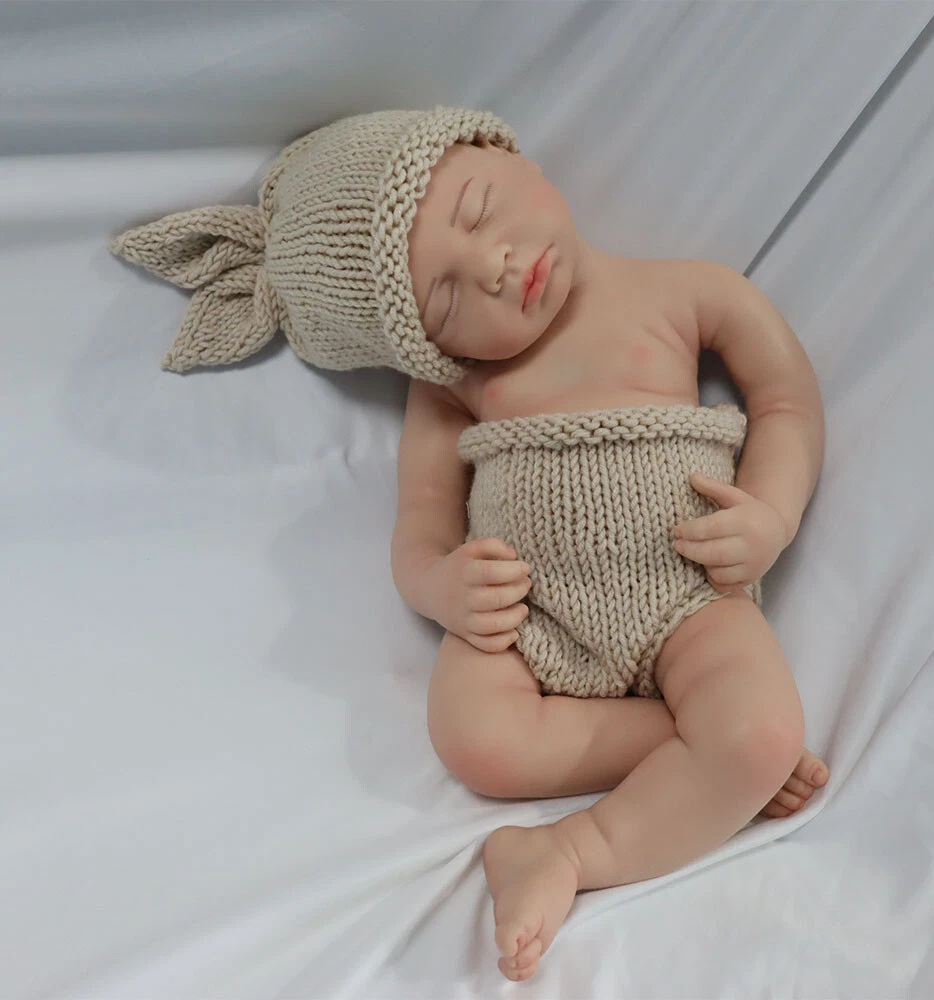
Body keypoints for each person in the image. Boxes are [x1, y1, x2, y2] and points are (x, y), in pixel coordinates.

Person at [110, 106, 830, 983]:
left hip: (687, 594)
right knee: (476, 740)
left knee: (758, 730)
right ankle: (706, 764)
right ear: (427, 350)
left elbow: (787, 400)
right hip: (530, 616)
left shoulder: (688, 292)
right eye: (447, 300)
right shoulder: (455, 390)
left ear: (501, 149)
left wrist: (772, 515)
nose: (492, 267)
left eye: (479, 209)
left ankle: (575, 847)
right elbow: (421, 521)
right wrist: (439, 586)